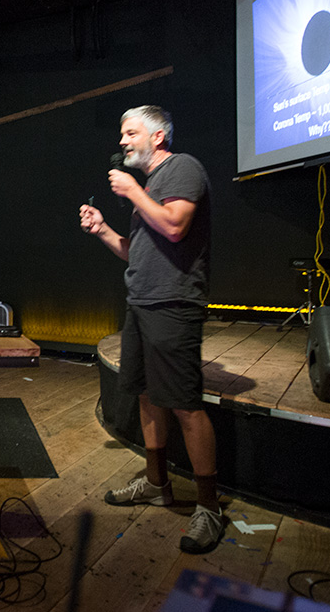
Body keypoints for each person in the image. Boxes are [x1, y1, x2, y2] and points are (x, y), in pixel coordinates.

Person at [78, 104, 224, 554]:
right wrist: (103, 229)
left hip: (174, 305)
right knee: (144, 394)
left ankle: (209, 508)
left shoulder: (183, 169)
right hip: (140, 303)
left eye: (130, 132)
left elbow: (176, 227)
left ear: (157, 136)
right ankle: (156, 483)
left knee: (184, 404)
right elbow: (135, 251)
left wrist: (135, 192)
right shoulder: (150, 189)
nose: (122, 141)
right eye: (122, 134)